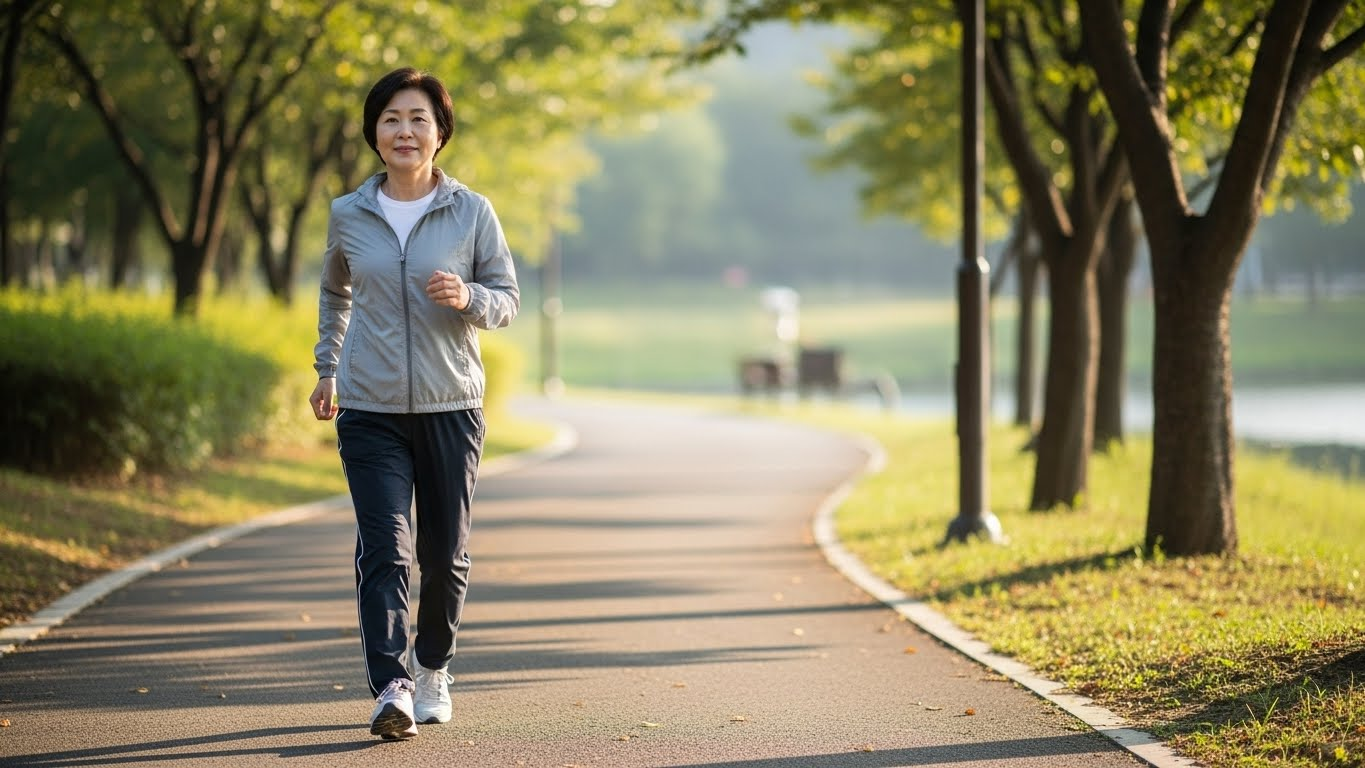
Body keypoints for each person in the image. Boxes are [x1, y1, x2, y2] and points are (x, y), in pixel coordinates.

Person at [308, 67, 519, 740]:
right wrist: (326, 370)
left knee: (445, 554)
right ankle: (390, 687)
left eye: (418, 119)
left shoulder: (472, 212)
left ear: (440, 133)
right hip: (368, 407)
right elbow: (336, 294)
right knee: (384, 550)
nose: (404, 130)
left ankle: (431, 668)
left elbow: (507, 301)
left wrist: (468, 299)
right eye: (392, 118)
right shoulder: (348, 214)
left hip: (450, 403)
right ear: (375, 133)